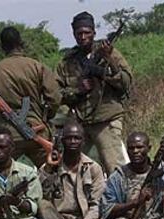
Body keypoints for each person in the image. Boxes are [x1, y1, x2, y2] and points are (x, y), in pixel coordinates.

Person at [56, 11, 132, 175]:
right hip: (80, 123)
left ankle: (122, 200)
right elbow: (56, 94)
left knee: (114, 168)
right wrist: (78, 91)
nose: (83, 37)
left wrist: (106, 65)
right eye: (79, 33)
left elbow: (126, 82)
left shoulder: (109, 52)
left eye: (87, 33)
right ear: (74, 34)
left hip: (106, 119)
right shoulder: (67, 62)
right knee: (72, 169)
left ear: (94, 33)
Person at [0, 26, 62, 168]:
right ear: (21, 43)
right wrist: (45, 117)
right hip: (36, 130)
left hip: (3, 135)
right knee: (51, 169)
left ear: (2, 46)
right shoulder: (37, 67)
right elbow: (54, 98)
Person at [38, 120, 125, 219]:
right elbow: (40, 194)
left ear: (83, 142)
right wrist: (49, 168)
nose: (73, 141)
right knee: (42, 205)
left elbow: (98, 203)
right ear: (62, 141)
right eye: (69, 138)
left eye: (77, 138)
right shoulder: (50, 166)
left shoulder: (93, 168)